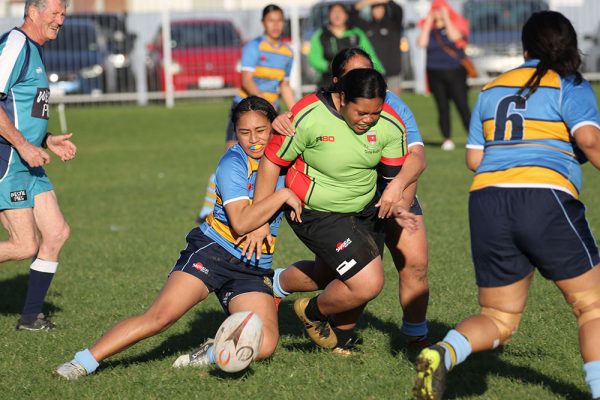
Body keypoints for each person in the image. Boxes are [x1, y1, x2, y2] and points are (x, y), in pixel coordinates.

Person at [413, 11, 600, 400]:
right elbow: (591, 142)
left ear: (525, 46)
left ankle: (441, 353)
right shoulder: (570, 84)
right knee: (592, 306)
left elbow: (474, 161)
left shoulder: (491, 89)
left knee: (498, 318)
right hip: (543, 195)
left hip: (487, 200)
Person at [54, 96, 303, 380]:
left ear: (273, 128)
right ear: (235, 133)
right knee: (161, 318)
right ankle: (83, 362)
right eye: (244, 133)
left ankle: (210, 352)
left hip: (252, 265)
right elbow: (241, 221)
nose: (254, 140)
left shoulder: (286, 159)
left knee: (266, 344)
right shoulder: (232, 163)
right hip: (214, 252)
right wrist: (282, 195)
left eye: (261, 130)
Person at [251, 68, 420, 354]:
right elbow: (271, 162)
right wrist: (258, 219)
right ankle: (312, 312)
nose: (368, 120)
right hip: (314, 210)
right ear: (341, 98)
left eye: (374, 113)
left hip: (365, 208)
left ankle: (284, 291)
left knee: (331, 276)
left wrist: (400, 200)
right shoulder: (308, 116)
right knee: (368, 280)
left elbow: (395, 176)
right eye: (361, 112)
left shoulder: (391, 124)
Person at [0, 0, 76, 331]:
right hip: (8, 160)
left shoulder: (35, 48)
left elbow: (20, 108)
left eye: (63, 14)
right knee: (24, 245)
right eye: (54, 13)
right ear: (33, 12)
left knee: (56, 233)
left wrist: (46, 141)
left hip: (29, 159)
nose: (60, 20)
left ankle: (31, 318)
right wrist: (23, 144)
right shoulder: (15, 44)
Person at [197, 4, 296, 222]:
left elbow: (285, 86)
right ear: (264, 23)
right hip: (245, 110)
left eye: (279, 20)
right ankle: (208, 209)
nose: (276, 25)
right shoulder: (254, 47)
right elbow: (246, 80)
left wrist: (297, 113)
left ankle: (252, 204)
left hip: (268, 113)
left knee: (265, 159)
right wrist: (265, 103)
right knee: (232, 157)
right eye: (271, 20)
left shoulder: (288, 53)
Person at [417, 0, 471, 151]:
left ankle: (473, 136)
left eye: (439, 9)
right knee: (442, 106)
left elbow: (456, 37)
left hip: (455, 72)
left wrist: (446, 18)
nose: (437, 13)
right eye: (435, 10)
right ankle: (446, 138)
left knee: (462, 105)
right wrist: (428, 22)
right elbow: (421, 43)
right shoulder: (429, 28)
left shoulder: (455, 23)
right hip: (435, 72)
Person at [308, 2, 384, 89]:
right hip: (327, 82)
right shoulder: (321, 35)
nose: (337, 15)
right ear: (328, 15)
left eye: (340, 12)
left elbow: (370, 55)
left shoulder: (356, 33)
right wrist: (330, 66)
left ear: (346, 15)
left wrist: (379, 73)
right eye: (334, 12)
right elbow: (314, 58)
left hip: (355, 81)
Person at [350, 0, 405, 95]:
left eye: (381, 7)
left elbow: (398, 10)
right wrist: (369, 1)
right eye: (375, 8)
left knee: (393, 105)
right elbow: (352, 15)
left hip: (393, 73)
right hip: (373, 73)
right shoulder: (366, 26)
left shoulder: (394, 25)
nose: (378, 10)